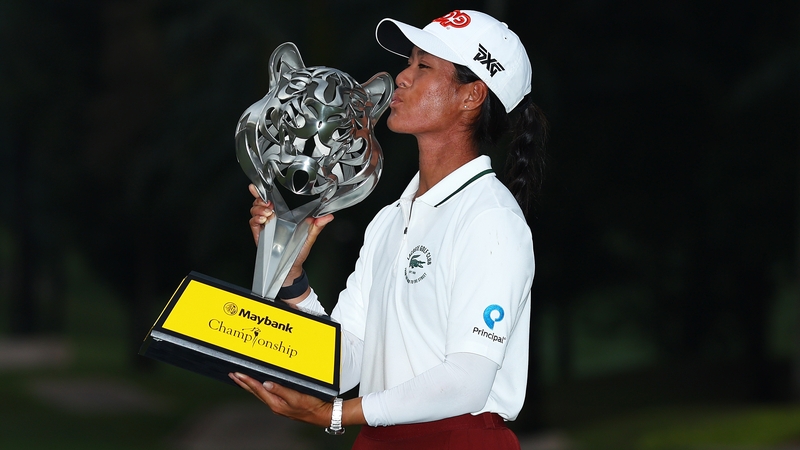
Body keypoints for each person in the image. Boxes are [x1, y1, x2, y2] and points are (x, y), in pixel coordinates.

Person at [229, 9, 548, 450]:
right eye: (409, 63)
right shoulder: (389, 219)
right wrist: (292, 279)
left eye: (423, 66)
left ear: (471, 96)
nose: (401, 77)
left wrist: (335, 413)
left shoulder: (490, 218)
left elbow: (467, 381)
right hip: (379, 439)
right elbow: (345, 363)